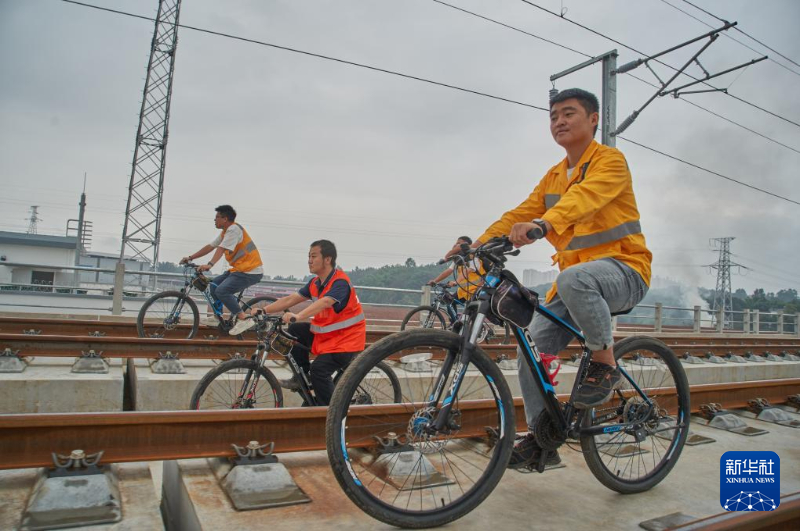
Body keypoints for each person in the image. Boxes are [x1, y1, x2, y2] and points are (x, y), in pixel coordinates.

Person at [448, 88, 651, 470]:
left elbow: (584, 198)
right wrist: (476, 245)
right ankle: (544, 439)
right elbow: (519, 213)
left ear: (593, 119)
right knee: (531, 349)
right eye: (554, 115)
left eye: (569, 113)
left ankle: (604, 362)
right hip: (576, 284)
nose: (559, 121)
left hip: (625, 270)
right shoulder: (554, 177)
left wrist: (543, 224)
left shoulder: (610, 161)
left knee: (574, 278)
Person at [229, 239, 366, 406]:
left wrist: (298, 315)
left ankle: (331, 413)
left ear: (327, 259)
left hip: (346, 341)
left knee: (319, 370)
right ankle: (302, 375)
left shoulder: (340, 282)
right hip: (329, 337)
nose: (309, 260)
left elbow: (325, 302)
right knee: (294, 330)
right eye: (309, 256)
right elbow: (290, 299)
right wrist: (264, 311)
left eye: (313, 256)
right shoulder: (315, 283)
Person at [180, 205, 264, 323]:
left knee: (222, 291)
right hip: (240, 269)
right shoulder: (226, 232)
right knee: (214, 285)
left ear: (225, 219)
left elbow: (221, 248)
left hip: (250, 271)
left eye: (217, 217)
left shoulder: (234, 230)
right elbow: (211, 246)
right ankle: (218, 317)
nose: (214, 220)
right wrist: (190, 258)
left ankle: (243, 319)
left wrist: (210, 264)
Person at [428, 236, 484, 302]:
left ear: (466, 245)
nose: (456, 245)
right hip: (463, 291)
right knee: (449, 302)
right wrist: (435, 281)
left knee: (470, 307)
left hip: (476, 290)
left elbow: (467, 271)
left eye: (459, 243)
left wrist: (456, 282)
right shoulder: (459, 259)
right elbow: (449, 271)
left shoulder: (473, 257)